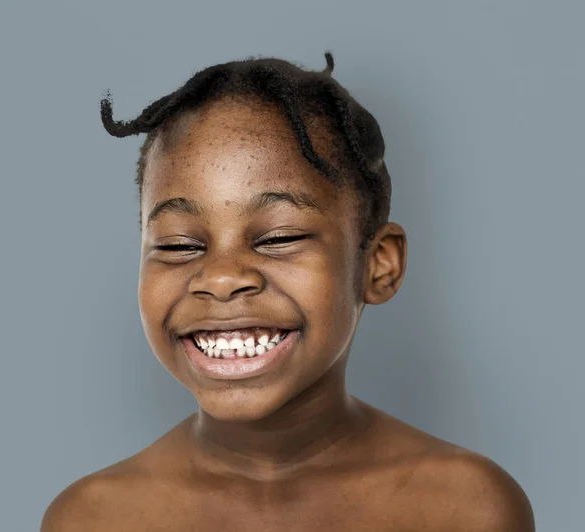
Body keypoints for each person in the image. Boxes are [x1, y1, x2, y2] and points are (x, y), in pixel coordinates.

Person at [41, 52, 535, 531]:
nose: (220, 277)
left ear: (378, 265)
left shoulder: (468, 509)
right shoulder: (91, 519)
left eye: (279, 238)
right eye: (178, 244)